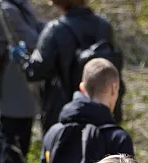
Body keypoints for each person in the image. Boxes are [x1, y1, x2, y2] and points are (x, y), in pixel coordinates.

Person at [13, 0, 123, 131]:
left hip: (64, 116)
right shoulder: (104, 26)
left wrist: (22, 57)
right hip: (101, 114)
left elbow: (36, 71)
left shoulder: (55, 29)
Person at [0, 0, 43, 163]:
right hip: (16, 92)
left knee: (9, 142)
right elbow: (34, 40)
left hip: (16, 90)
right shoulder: (7, 10)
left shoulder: (15, 6)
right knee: (13, 147)